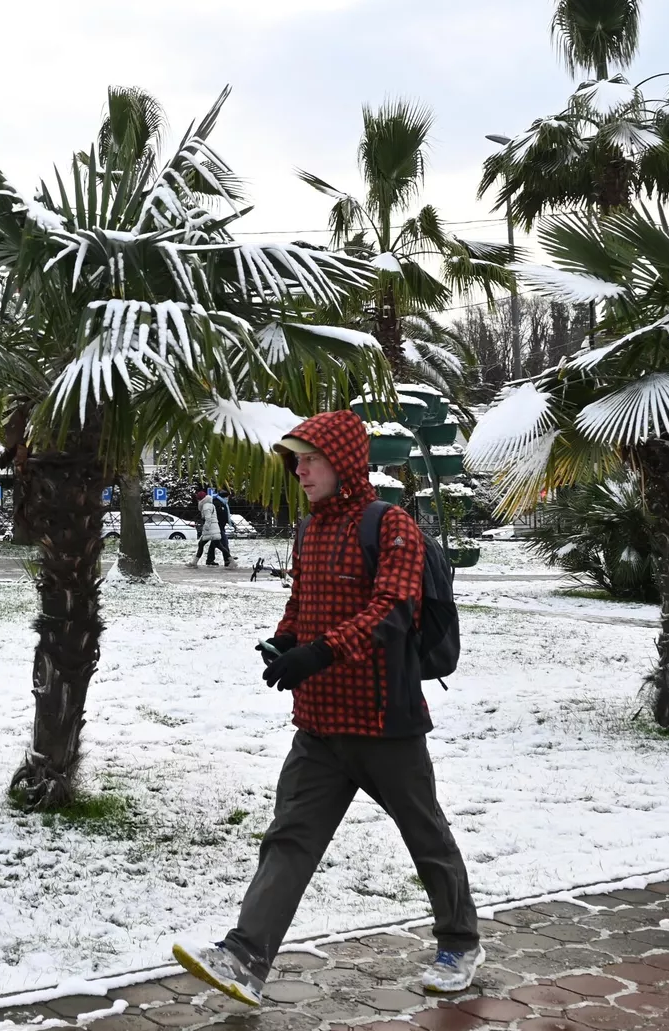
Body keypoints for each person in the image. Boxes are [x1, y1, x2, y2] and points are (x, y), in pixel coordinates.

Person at [173, 409, 478, 1005]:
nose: (300, 472)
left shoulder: (391, 527)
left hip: (384, 722)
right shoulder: (308, 529)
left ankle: (460, 942)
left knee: (425, 835)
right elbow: (302, 600)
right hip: (318, 725)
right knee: (289, 838)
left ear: (343, 462)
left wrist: (320, 652)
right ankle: (245, 957)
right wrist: (289, 639)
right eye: (295, 461)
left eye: (310, 460)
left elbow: (392, 610)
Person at [189, 485, 220, 567]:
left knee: (202, 544)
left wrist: (205, 528)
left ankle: (194, 562)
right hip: (213, 528)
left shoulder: (206, 506)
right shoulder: (209, 505)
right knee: (217, 545)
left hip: (210, 529)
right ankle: (194, 562)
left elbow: (208, 519)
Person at [208, 487, 236, 568]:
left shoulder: (223, 503)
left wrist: (230, 522)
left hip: (220, 526)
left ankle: (210, 560)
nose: (228, 499)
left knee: (214, 543)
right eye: (227, 497)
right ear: (224, 497)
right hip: (217, 526)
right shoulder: (217, 503)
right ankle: (227, 560)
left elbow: (225, 515)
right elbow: (219, 515)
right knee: (224, 542)